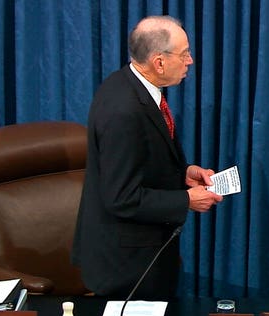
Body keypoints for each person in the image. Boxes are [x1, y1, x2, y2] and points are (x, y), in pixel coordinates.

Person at [71, 15, 223, 300]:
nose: (190, 61)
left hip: (145, 255)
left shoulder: (133, 86)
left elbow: (142, 162)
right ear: (159, 62)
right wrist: (187, 200)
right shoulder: (123, 110)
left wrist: (183, 174)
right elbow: (121, 197)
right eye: (185, 54)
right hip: (127, 268)